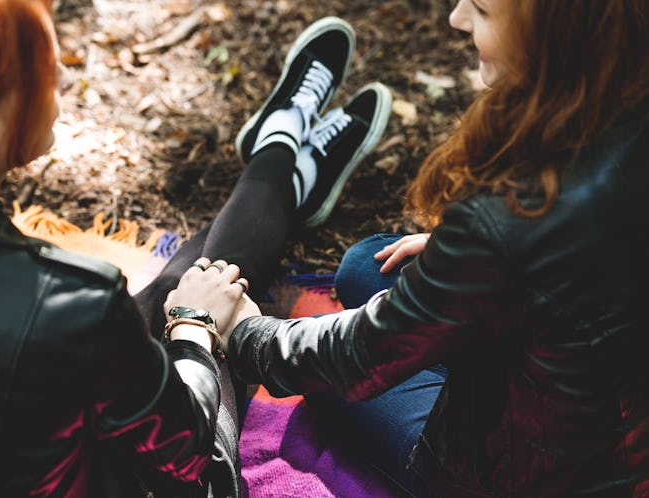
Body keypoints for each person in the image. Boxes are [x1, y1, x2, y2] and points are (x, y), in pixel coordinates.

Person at [0, 1, 392, 496]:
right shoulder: (71, 302)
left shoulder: (70, 300)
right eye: (44, 75)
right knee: (192, 299)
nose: (63, 86)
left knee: (165, 296)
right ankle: (281, 157)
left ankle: (282, 157)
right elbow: (189, 453)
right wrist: (194, 327)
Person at [169, 0, 649, 497]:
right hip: (603, 399)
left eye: (482, 10)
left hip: (531, 476)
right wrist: (460, 258)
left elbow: (357, 357)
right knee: (363, 265)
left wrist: (244, 333)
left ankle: (281, 148)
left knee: (318, 377)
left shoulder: (513, 218)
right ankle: (287, 156)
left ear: (559, 33)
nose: (456, 18)